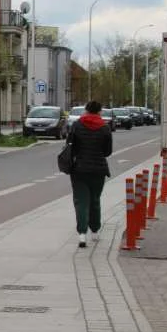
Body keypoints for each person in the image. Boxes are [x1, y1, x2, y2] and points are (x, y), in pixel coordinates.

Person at [67, 100, 113, 248]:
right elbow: (107, 152)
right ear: (100, 111)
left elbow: (70, 146)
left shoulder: (77, 125)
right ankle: (95, 231)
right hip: (98, 170)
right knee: (95, 200)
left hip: (79, 169)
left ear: (86, 110)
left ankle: (82, 234)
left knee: (81, 201)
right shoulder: (105, 128)